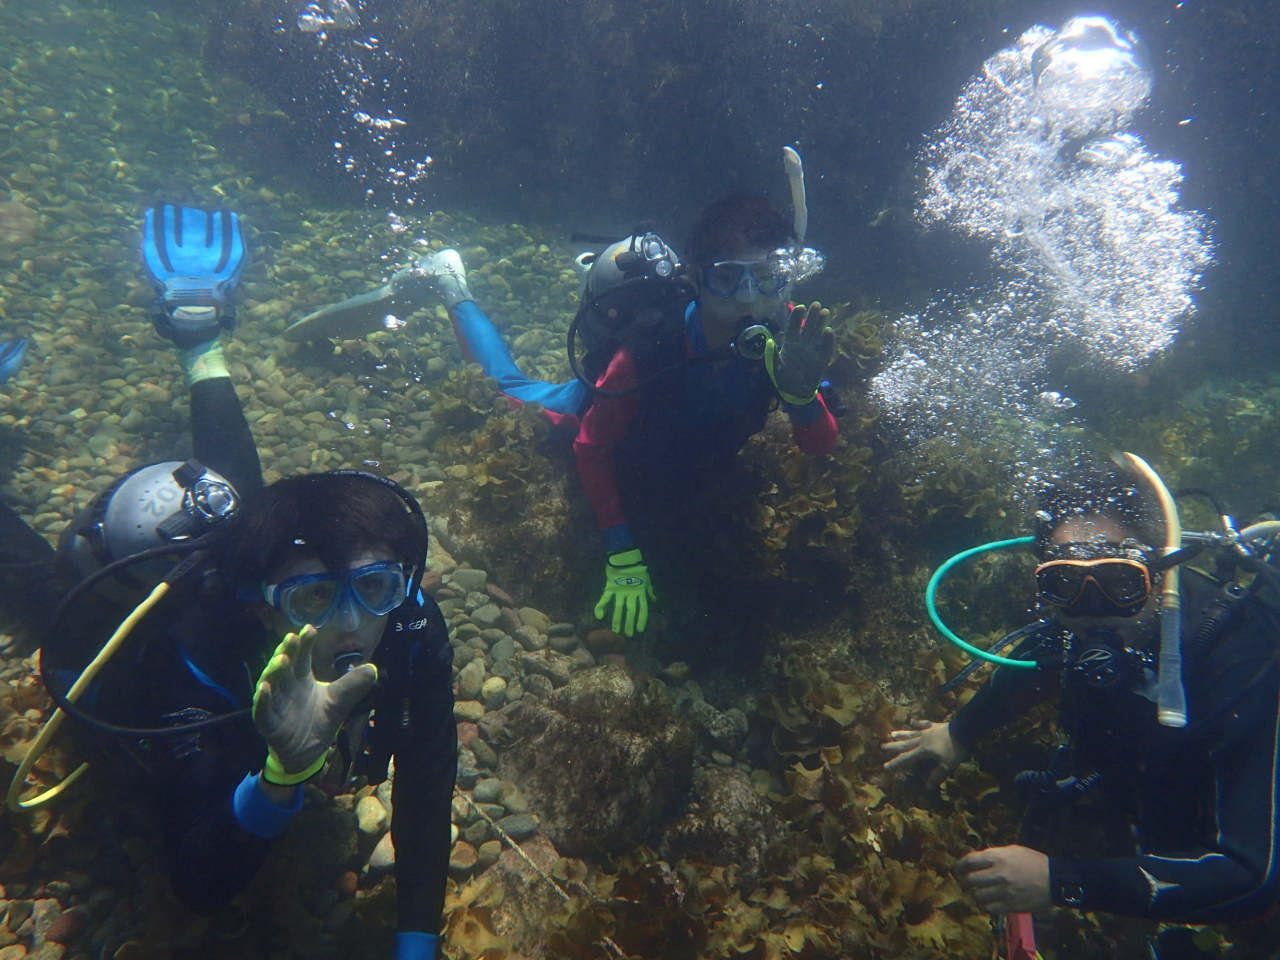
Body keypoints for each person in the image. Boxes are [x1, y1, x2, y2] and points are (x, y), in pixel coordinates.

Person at [2, 205, 455, 960]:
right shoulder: (195, 663)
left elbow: (428, 775)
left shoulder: (407, 616)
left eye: (374, 588)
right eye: (313, 600)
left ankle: (201, 340)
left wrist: (417, 944)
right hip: (152, 620)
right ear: (261, 605)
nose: (352, 624)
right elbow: (198, 884)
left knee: (239, 496)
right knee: (39, 597)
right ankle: (198, 341)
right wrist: (282, 773)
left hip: (238, 556)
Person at [286, 192, 840, 636]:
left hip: (680, 451)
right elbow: (591, 447)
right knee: (507, 385)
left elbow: (819, 446)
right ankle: (450, 282)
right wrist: (621, 551)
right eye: (726, 278)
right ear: (696, 277)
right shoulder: (643, 353)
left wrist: (799, 395)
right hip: (589, 417)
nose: (747, 301)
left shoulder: (788, 339)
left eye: (766, 279)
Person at [881, 466, 1280, 933]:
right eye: (1065, 584)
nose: (1095, 610)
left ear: (1158, 572)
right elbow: (1038, 661)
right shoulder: (1074, 626)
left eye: (1122, 583)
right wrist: (957, 732)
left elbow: (1254, 877)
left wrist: (1063, 881)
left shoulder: (1237, 657)